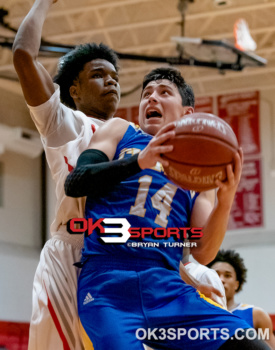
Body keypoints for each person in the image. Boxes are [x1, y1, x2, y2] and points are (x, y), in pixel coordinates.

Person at [65, 67, 269, 349]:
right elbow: (75, 182)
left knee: (250, 344)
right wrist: (138, 161)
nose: (151, 99)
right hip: (107, 284)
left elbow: (203, 251)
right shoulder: (121, 131)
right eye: (146, 94)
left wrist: (225, 200)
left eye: (164, 93)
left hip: (167, 289)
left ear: (187, 114)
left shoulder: (200, 172)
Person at [12, 0, 120, 349]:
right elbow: (23, 57)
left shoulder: (131, 136)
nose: (111, 82)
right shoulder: (64, 121)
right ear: (74, 90)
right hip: (71, 253)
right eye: (98, 75)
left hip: (116, 255)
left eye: (115, 77)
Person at [208, 249, 275, 349]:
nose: (221, 280)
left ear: (236, 284)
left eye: (227, 275)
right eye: (216, 274)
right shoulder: (195, 315)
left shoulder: (256, 315)